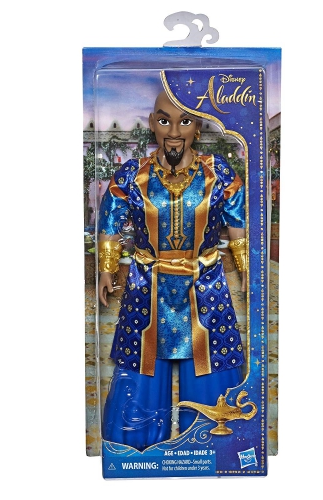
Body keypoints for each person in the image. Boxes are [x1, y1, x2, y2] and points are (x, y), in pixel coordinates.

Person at [97, 90, 248, 450]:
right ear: (152, 123)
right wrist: (106, 269)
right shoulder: (132, 175)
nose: (175, 132)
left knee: (213, 363)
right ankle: (134, 445)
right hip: (147, 282)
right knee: (141, 366)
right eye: (164, 120)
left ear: (198, 127)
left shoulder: (219, 173)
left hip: (205, 282)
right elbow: (111, 220)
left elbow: (237, 224)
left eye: (185, 121)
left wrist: (247, 269)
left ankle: (213, 447)